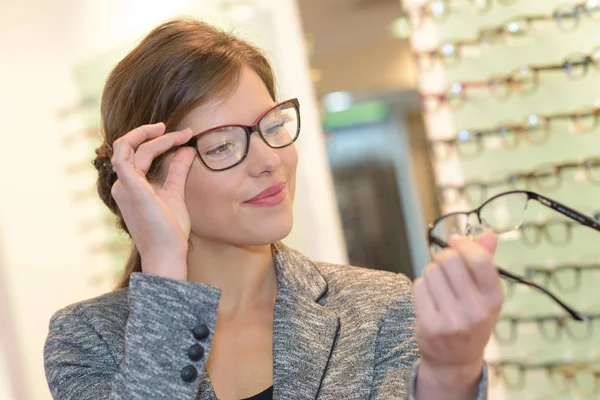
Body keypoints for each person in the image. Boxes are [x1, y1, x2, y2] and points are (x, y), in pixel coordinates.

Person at [43, 18, 504, 400]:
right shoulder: (87, 338)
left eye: (273, 125)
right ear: (147, 176)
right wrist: (163, 270)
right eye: (223, 145)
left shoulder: (381, 307)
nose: (269, 161)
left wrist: (450, 373)